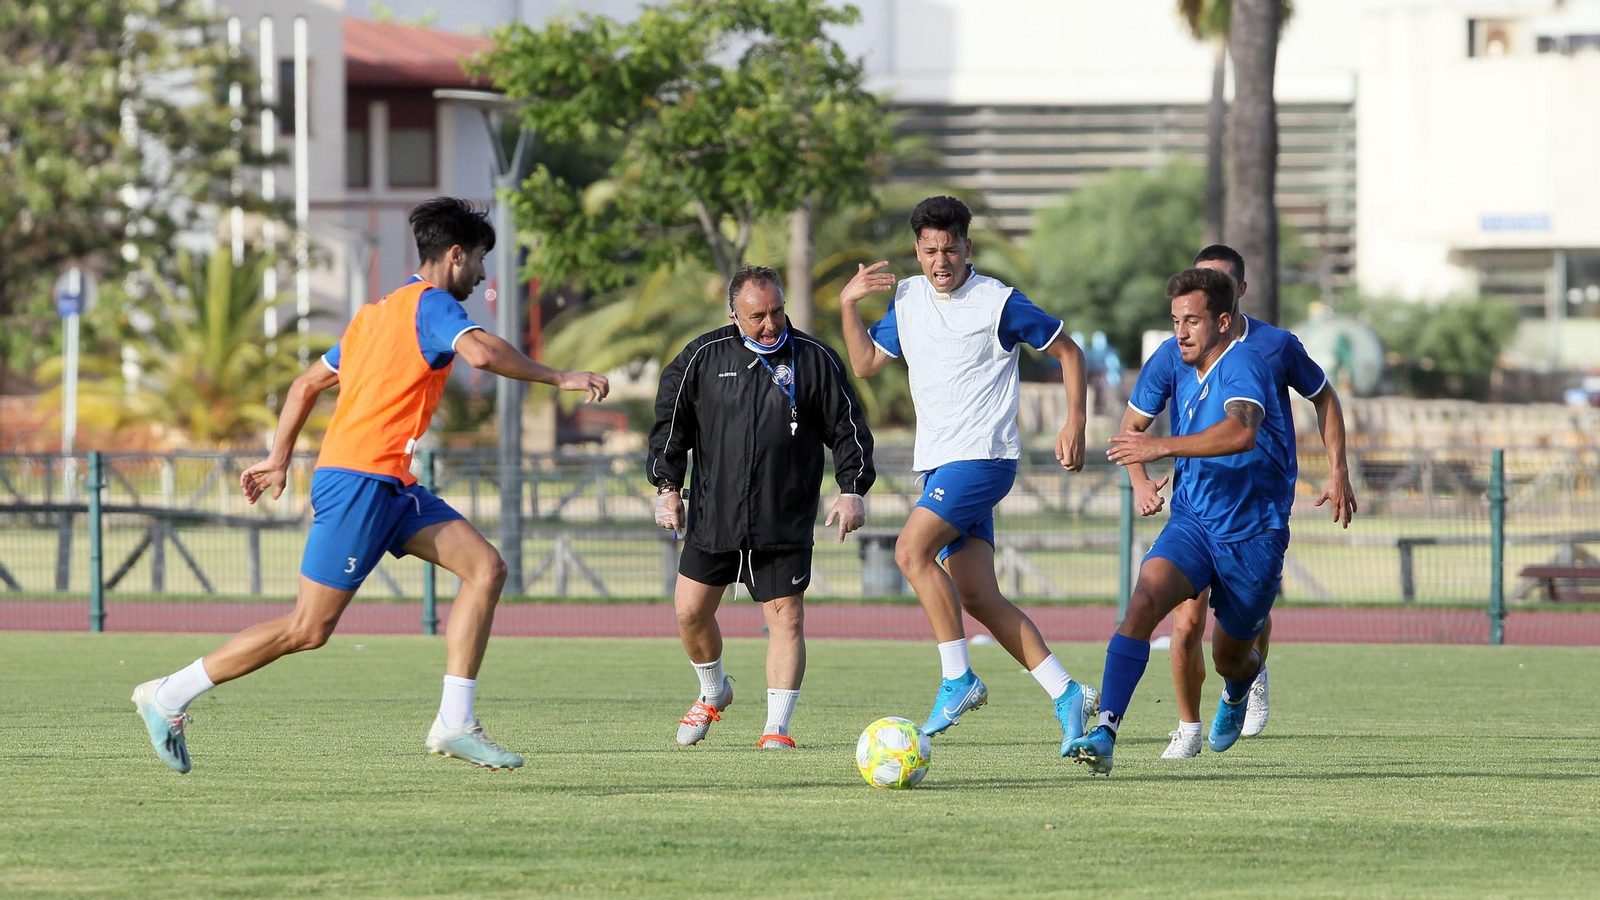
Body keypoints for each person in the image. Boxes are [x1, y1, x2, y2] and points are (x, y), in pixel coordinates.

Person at [130, 198, 610, 774]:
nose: (482, 275)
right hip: (360, 481)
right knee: (308, 629)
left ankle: (455, 722)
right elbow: (480, 353)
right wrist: (559, 376)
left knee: (486, 568)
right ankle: (168, 694)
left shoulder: (372, 314)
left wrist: (279, 460)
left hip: (391, 483)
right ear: (455, 255)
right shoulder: (431, 306)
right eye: (480, 260)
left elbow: (307, 383)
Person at [837, 195, 1098, 755]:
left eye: (949, 249)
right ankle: (1066, 692)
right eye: (929, 251)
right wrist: (848, 305)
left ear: (967, 247)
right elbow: (864, 365)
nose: (940, 261)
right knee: (978, 595)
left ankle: (958, 679)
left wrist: (1075, 422)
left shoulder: (997, 301)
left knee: (910, 553)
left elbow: (1071, 353)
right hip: (939, 461)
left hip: (983, 457)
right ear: (917, 251)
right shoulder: (906, 297)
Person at [1120, 245, 1356, 759]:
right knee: (1182, 619)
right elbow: (1133, 426)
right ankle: (1186, 725)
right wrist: (1141, 477)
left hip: (1257, 515)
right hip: (1196, 508)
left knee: (1236, 637)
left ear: (1236, 296)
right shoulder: (1177, 349)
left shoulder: (1273, 347)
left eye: (1218, 283)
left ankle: (1243, 676)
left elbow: (1323, 396)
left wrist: (1337, 468)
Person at [1066, 266, 1292, 776]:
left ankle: (1237, 691)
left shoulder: (1248, 364)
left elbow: (1241, 432)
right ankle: (1105, 730)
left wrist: (1161, 447)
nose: (1181, 332)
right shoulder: (1169, 359)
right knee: (1144, 602)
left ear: (1224, 322)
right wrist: (1142, 479)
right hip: (1192, 521)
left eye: (1192, 321)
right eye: (1175, 321)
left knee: (1230, 660)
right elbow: (1132, 430)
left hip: (1253, 534)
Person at [648, 265, 875, 749]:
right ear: (734, 315)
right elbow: (672, 425)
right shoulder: (703, 357)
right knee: (689, 612)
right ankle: (713, 692)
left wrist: (853, 489)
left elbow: (849, 429)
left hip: (783, 519)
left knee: (786, 617)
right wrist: (667, 486)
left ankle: (777, 728)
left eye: (776, 312)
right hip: (714, 516)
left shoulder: (814, 360)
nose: (770, 324)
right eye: (757, 317)